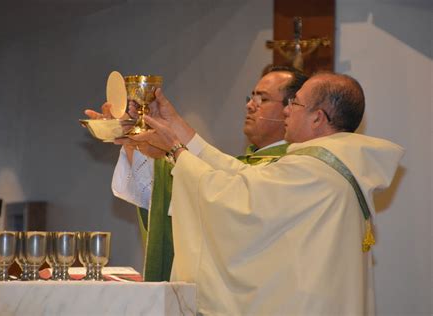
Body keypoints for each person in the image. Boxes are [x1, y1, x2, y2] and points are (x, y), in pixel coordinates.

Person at [123, 72, 405, 315]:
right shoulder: (326, 165)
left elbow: (236, 198)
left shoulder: (314, 172)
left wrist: (174, 149)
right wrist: (175, 125)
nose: (286, 110)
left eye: (295, 103)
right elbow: (241, 176)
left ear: (318, 118)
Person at [104, 66, 308, 281]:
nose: (249, 105)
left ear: (290, 109)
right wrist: (133, 136)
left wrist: (173, 147)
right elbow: (162, 194)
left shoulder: (290, 168)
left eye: (262, 99)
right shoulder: (245, 164)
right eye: (251, 97)